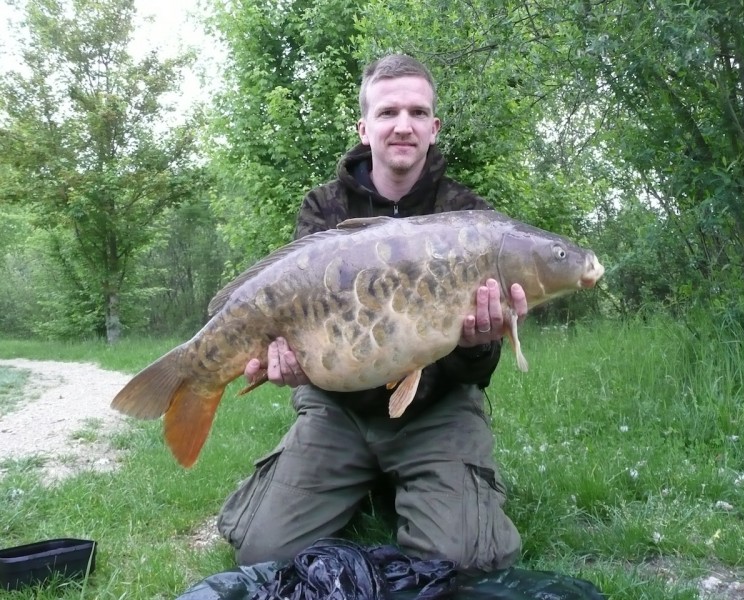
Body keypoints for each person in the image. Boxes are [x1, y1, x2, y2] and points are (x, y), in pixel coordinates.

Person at [216, 53, 528, 572]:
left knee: (465, 561)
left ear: (434, 127)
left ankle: (408, 480)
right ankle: (357, 479)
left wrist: (477, 343)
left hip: (437, 410)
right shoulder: (324, 208)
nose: (402, 125)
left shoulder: (470, 215)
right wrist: (291, 366)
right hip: (338, 410)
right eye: (387, 113)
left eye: (416, 112)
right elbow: (299, 333)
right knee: (263, 555)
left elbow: (480, 372)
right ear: (364, 127)